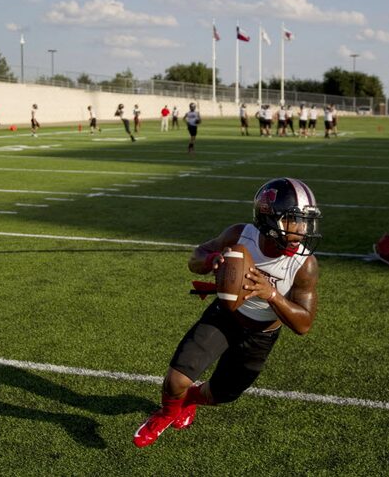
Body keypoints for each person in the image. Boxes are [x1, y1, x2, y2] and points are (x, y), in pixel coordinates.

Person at [132, 178, 322, 448]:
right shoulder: (240, 235)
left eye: (306, 221)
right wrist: (212, 260)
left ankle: (189, 401)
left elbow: (304, 324)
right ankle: (166, 413)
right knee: (175, 381)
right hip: (225, 316)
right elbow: (196, 257)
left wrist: (272, 294)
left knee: (222, 395)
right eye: (295, 220)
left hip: (261, 334)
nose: (303, 229)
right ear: (270, 219)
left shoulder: (305, 264)